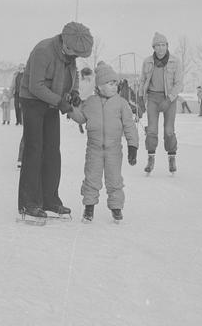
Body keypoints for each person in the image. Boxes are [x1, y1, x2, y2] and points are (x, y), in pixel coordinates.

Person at [18, 21, 93, 220]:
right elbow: (36, 86)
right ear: (65, 45)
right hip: (33, 101)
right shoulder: (44, 51)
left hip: (53, 102)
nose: (75, 57)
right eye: (74, 53)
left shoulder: (69, 56)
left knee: (52, 151)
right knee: (34, 150)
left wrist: (74, 92)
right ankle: (29, 203)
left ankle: (50, 199)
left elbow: (74, 75)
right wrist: (61, 102)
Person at [68, 61, 139, 222]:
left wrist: (132, 146)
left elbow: (129, 126)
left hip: (114, 149)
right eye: (110, 83)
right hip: (94, 149)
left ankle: (116, 208)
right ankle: (89, 207)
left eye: (115, 83)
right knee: (91, 178)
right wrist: (70, 109)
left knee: (114, 179)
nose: (114, 87)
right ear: (99, 86)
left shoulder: (121, 103)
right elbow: (81, 118)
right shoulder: (90, 102)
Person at [138, 32, 183, 174]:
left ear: (167, 46)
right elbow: (142, 80)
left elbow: (179, 84)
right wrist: (140, 97)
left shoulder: (175, 62)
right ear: (153, 47)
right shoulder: (147, 61)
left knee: (169, 130)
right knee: (151, 130)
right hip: (152, 97)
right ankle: (150, 160)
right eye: (157, 45)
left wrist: (169, 99)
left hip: (169, 98)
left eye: (163, 45)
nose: (161, 48)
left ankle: (172, 157)